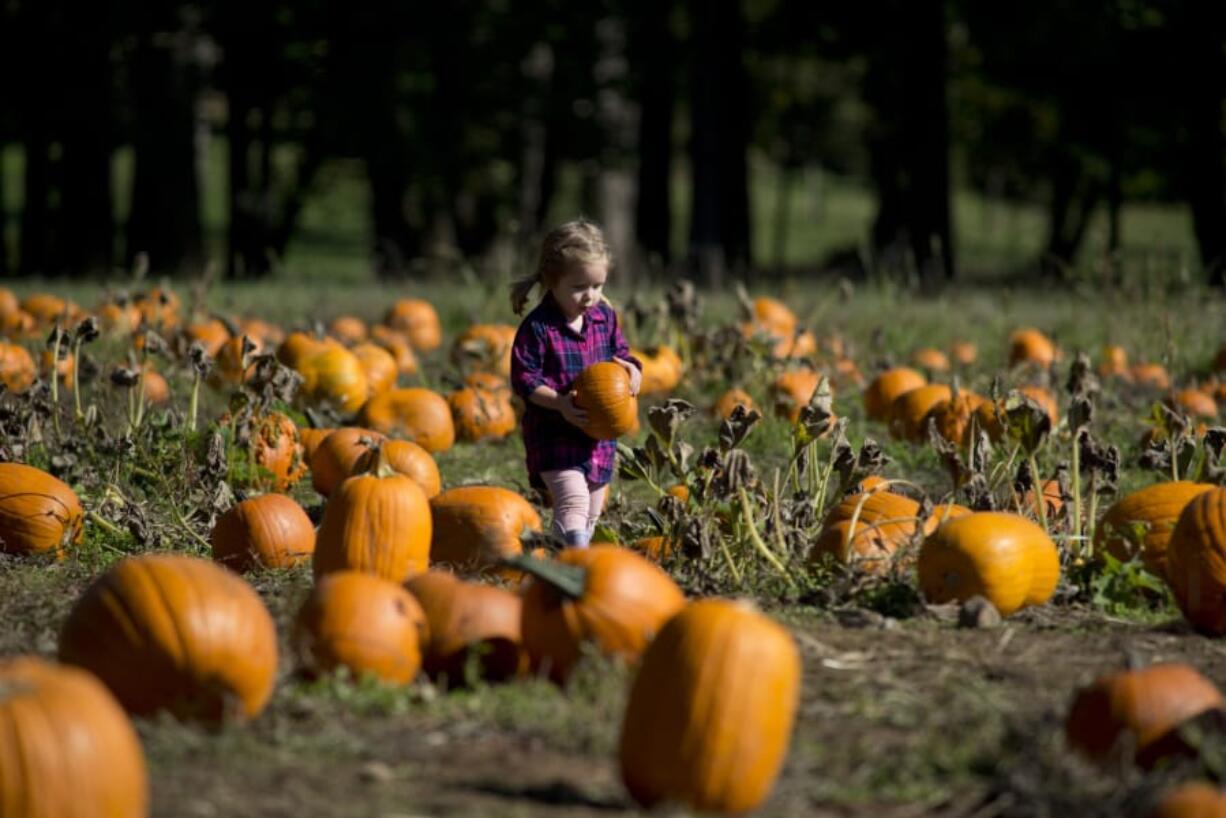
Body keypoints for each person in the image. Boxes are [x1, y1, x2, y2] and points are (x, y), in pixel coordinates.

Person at [510, 219, 642, 548]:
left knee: (592, 510)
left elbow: (622, 354)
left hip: (599, 436)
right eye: (579, 287)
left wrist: (632, 371)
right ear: (552, 281)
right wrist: (559, 403)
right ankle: (579, 561)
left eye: (598, 286)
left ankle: (560, 556)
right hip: (555, 433)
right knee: (573, 502)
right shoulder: (539, 328)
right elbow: (524, 378)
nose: (590, 296)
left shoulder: (604, 317)